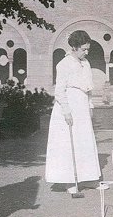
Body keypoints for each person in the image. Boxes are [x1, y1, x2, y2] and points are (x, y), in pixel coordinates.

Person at [44, 30, 105, 198]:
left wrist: (90, 106)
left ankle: (88, 178)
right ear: (75, 47)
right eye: (84, 49)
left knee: (84, 142)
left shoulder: (85, 63)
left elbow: (88, 89)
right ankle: (69, 181)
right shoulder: (63, 64)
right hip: (68, 107)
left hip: (83, 106)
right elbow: (59, 91)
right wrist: (66, 111)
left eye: (87, 49)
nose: (86, 52)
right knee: (67, 145)